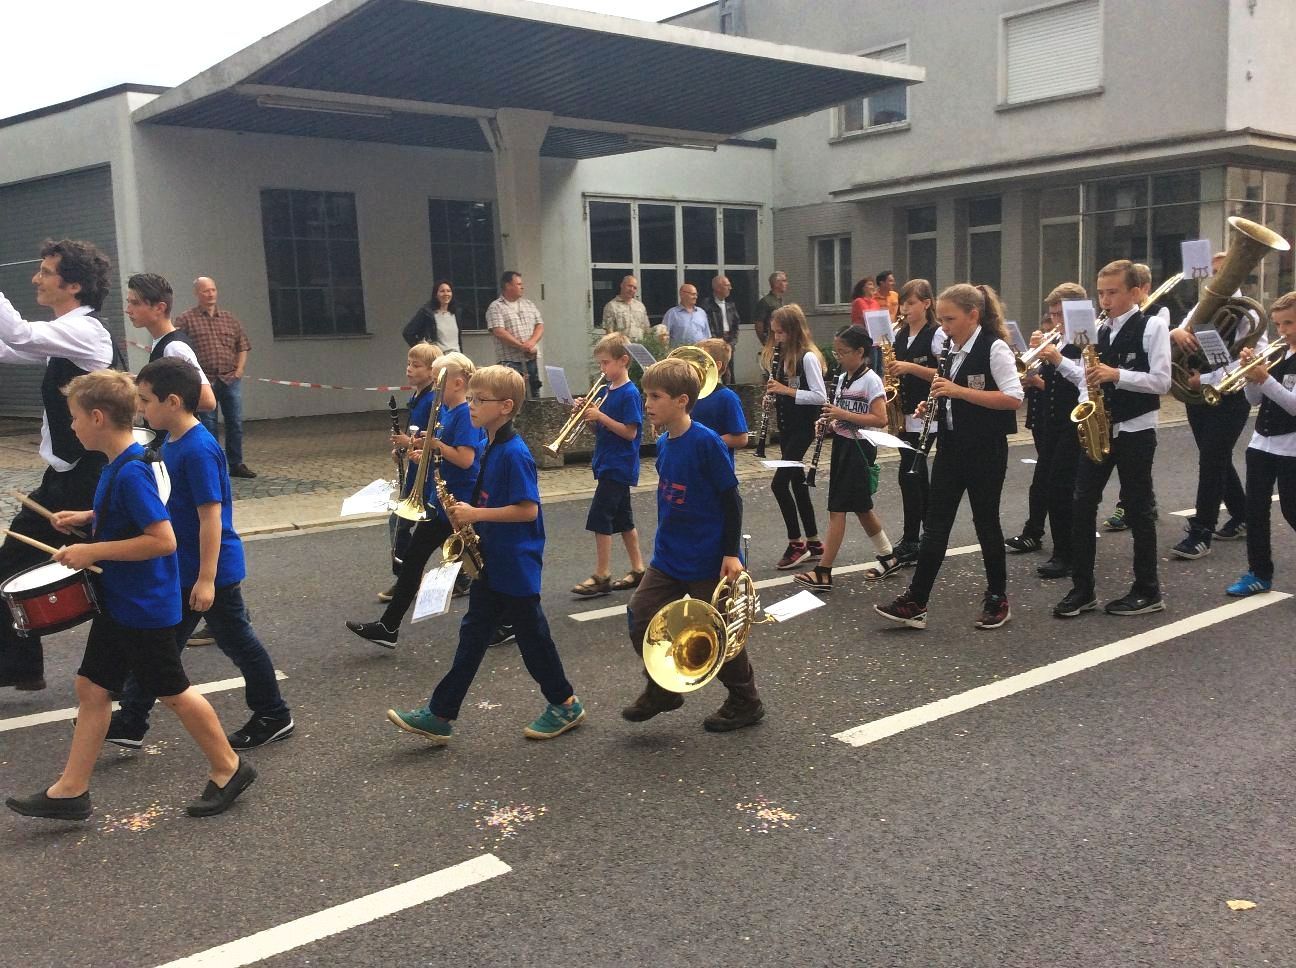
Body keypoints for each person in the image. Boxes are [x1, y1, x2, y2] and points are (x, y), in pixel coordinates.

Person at [7, 370, 255, 821]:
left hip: (143, 606)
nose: (71, 427)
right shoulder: (123, 462)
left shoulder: (130, 472)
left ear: (97, 418)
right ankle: (71, 791)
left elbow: (162, 540)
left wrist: (92, 551)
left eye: (74, 417)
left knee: (173, 691)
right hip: (120, 599)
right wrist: (88, 517)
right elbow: (140, 513)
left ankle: (229, 767)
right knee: (91, 687)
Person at [385, 366, 584, 743]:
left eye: (479, 400)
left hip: (515, 562)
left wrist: (475, 514)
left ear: (505, 406)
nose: (471, 405)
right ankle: (440, 714)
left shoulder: (514, 453)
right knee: (473, 635)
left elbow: (528, 510)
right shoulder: (492, 443)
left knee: (534, 641)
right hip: (492, 558)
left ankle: (565, 703)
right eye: (471, 398)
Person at [105, 358, 293, 751]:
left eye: (146, 400)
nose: (141, 408)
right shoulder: (171, 443)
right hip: (186, 567)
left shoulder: (198, 448)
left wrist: (206, 579)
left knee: (236, 642)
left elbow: (212, 517)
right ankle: (132, 720)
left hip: (211, 570)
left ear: (172, 402)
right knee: (162, 645)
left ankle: (274, 714)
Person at [621, 357, 763, 732]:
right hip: (669, 556)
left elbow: (731, 500)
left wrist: (730, 553)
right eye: (646, 396)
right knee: (641, 615)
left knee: (719, 634)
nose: (647, 404)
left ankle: (746, 700)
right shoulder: (664, 442)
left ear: (682, 400)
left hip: (709, 558)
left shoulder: (706, 442)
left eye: (655, 396)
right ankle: (662, 689)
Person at [0, 239, 118, 693]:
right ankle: (20, 666)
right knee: (10, 564)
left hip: (91, 477)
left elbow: (18, 335)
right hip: (63, 477)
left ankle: (203, 613)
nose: (36, 278)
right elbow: (11, 349)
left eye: (46, 272)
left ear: (74, 286)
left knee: (115, 575)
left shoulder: (85, 331)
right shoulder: (65, 332)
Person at [875, 284, 1024, 631]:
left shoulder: (994, 347)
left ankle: (997, 597)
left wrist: (958, 391)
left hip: (986, 448)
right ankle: (916, 601)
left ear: (973, 315)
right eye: (941, 319)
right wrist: (934, 404)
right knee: (936, 525)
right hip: (951, 445)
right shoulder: (950, 348)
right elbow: (951, 394)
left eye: (950, 319)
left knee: (986, 523)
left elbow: (1013, 398)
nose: (943, 327)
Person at [1052, 260, 1171, 619]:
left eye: (1113, 293)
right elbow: (1086, 377)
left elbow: (1162, 381)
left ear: (1134, 293)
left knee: (1138, 509)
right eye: (1101, 293)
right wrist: (1075, 383)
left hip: (1136, 429)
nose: (1105, 300)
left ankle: (1148, 589)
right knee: (1081, 504)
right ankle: (1082, 588)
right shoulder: (1098, 329)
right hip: (1100, 427)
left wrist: (1117, 374)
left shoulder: (1152, 326)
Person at [347, 352, 485, 648]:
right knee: (414, 560)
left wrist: (436, 445)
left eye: (439, 381)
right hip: (441, 500)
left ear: (458, 383)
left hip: (459, 502)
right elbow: (445, 453)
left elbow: (465, 459)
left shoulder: (464, 414)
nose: (434, 387)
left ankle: (510, 618)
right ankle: (388, 627)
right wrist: (425, 452)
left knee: (482, 564)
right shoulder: (447, 410)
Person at [794, 326, 900, 592]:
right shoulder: (842, 379)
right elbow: (840, 416)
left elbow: (880, 419)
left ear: (860, 352)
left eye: (843, 352)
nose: (838, 357)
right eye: (836, 352)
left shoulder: (871, 380)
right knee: (862, 507)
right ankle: (888, 557)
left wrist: (842, 415)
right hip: (843, 445)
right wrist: (828, 424)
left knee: (837, 509)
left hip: (860, 448)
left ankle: (824, 571)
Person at [1169, 251, 1251, 559]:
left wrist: (1205, 379)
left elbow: (1249, 360)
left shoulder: (1246, 313)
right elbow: (1180, 330)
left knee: (1212, 460)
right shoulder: (1204, 305)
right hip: (1198, 396)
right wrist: (1176, 331)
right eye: (1215, 273)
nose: (1217, 279)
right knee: (1215, 457)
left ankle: (1202, 532)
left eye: (1223, 272)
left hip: (1231, 397)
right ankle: (1243, 515)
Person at [1006, 285, 1086, 580]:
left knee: (1063, 488)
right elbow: (1047, 380)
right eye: (1052, 315)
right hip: (1051, 423)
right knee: (1049, 485)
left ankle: (1067, 554)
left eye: (1060, 314)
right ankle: (1058, 547)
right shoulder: (1060, 340)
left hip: (1074, 422)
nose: (1056, 321)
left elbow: (1086, 379)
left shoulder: (1086, 340)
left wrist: (1056, 359)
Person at [1226, 292, 1296, 597]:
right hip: (1261, 443)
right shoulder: (1278, 353)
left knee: (1292, 510)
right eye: (1278, 324)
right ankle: (1258, 573)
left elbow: (1293, 406)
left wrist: (1264, 377)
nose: (1283, 331)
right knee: (1254, 511)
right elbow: (1255, 400)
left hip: (1292, 446)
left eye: (1289, 323)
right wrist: (1250, 377)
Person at [571, 334, 646, 597]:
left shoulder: (630, 393)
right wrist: (587, 417)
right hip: (607, 462)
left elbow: (630, 433)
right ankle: (638, 569)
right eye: (600, 363)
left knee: (600, 518)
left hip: (619, 464)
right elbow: (601, 431)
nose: (602, 369)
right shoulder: (605, 391)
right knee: (624, 520)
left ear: (623, 360)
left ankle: (602, 574)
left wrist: (600, 415)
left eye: (605, 363)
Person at [763, 304, 828, 569]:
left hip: (803, 428)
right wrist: (772, 397)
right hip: (787, 428)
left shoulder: (807, 357)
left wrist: (785, 391)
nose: (777, 338)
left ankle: (796, 544)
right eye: (774, 333)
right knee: (797, 483)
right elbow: (782, 390)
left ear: (793, 330)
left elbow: (820, 396)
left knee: (779, 485)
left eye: (781, 333)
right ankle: (814, 542)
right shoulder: (782, 358)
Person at [887, 278, 946, 565]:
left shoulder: (936, 334)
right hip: (904, 412)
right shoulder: (899, 335)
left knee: (910, 474)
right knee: (917, 476)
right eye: (903, 304)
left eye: (911, 303)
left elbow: (945, 372)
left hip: (927, 412)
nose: (905, 309)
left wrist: (910, 367)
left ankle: (913, 538)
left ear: (926, 303)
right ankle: (927, 534)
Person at [380, 341, 443, 602]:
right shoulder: (417, 397)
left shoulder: (432, 400)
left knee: (426, 526)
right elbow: (413, 435)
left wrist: (410, 443)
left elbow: (435, 438)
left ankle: (407, 579)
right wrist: (402, 449)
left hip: (427, 476)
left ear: (431, 371)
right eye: (408, 364)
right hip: (416, 471)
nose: (409, 369)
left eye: (416, 366)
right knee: (415, 526)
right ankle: (408, 578)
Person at [176, 276, 256, 479]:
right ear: (197, 293)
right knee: (208, 424)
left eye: (213, 290)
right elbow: (178, 346)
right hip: (204, 380)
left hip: (230, 379)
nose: (210, 294)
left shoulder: (229, 318)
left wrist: (240, 369)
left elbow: (242, 345)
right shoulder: (186, 319)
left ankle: (236, 464)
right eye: (205, 291)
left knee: (235, 422)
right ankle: (213, 464)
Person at [125, 273, 217, 416]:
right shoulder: (163, 342)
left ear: (160, 308)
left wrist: (148, 398)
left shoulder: (174, 348)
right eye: (128, 302)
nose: (128, 310)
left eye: (135, 303)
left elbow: (207, 400)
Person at [690, 338, 749, 465]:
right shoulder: (688, 394)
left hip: (715, 464)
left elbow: (741, 438)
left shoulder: (727, 397)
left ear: (717, 365)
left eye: (700, 360)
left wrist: (704, 442)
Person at [486, 271, 543, 399]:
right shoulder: (496, 307)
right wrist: (521, 346)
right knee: (512, 396)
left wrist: (531, 342)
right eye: (518, 284)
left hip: (530, 359)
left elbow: (539, 325)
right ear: (508, 286)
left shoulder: (529, 304)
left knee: (534, 394)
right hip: (510, 362)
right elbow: (499, 331)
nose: (522, 287)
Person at [402, 280, 464, 353]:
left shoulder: (456, 313)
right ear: (435, 294)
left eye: (448, 291)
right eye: (442, 291)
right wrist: (422, 350)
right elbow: (408, 333)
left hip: (456, 356)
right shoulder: (427, 313)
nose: (446, 294)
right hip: (438, 357)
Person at [701, 275, 742, 384]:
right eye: (727, 285)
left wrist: (733, 342)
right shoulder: (707, 305)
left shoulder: (730, 304)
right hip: (715, 342)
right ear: (718, 288)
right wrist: (716, 342)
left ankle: (731, 390)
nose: (730, 288)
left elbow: (736, 324)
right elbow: (707, 325)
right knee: (717, 369)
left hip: (729, 341)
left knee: (729, 372)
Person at [601, 275, 649, 341]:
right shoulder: (611, 306)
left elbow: (646, 329)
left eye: (634, 288)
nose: (631, 289)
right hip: (621, 346)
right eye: (629, 286)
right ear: (622, 285)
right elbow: (609, 333)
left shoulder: (640, 306)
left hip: (639, 345)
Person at [754, 270, 788, 346]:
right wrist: (765, 342)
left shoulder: (780, 300)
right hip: (772, 340)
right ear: (776, 283)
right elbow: (759, 324)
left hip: (782, 340)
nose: (786, 284)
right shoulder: (766, 301)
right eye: (784, 281)